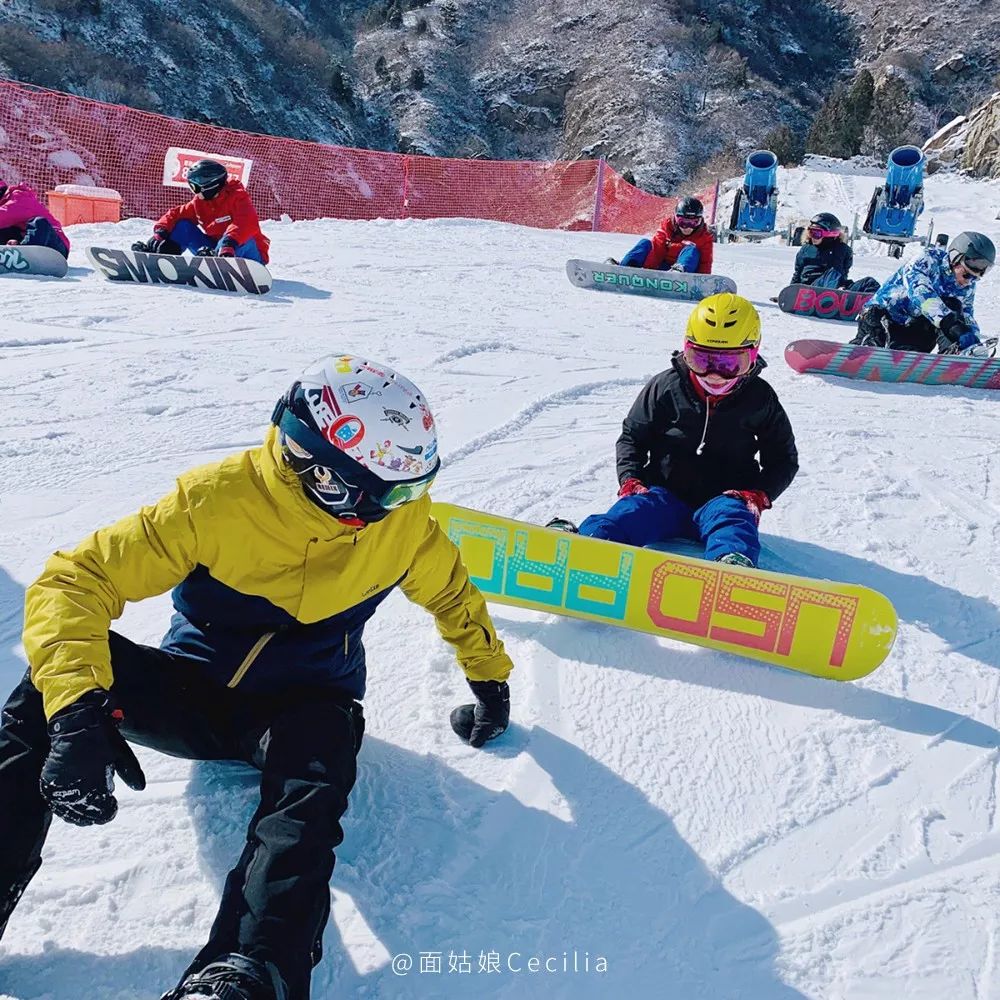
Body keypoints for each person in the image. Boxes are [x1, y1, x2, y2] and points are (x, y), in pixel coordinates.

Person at [0, 356, 513, 1000]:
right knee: (44, 689)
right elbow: (75, 580)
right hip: (194, 694)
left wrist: (490, 679)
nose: (406, 507)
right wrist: (74, 714)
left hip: (304, 709)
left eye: (413, 488)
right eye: (392, 492)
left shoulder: (401, 526)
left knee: (311, 786)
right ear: (326, 474)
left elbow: (453, 595)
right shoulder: (217, 501)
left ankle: (250, 968)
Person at [547, 294, 798, 568]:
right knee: (633, 511)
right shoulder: (666, 387)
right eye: (701, 360)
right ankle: (590, 543)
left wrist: (759, 493)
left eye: (729, 365)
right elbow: (633, 436)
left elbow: (783, 458)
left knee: (734, 523)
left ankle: (732, 567)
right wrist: (631, 479)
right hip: (665, 494)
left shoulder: (760, 398)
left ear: (752, 355)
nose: (714, 374)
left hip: (724, 498)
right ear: (686, 350)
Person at [852, 231, 995, 355]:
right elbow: (921, 294)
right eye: (967, 275)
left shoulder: (966, 287)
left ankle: (954, 354)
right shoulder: (927, 260)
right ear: (956, 258)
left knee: (954, 307)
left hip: (914, 331)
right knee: (875, 314)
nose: (969, 281)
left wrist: (972, 339)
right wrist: (952, 325)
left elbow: (967, 315)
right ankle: (864, 347)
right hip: (884, 318)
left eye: (975, 278)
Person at [132, 159, 270, 264]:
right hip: (218, 251)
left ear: (211, 185)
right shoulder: (200, 202)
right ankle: (164, 257)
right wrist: (161, 232)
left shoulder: (238, 197)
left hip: (249, 255)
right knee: (183, 225)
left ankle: (219, 260)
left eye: (195, 186)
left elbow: (246, 223)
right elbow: (175, 214)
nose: (194, 191)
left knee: (243, 237)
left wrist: (228, 243)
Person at [612, 195, 715, 274]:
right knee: (645, 243)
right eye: (682, 222)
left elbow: (705, 263)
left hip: (686, 273)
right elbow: (657, 250)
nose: (687, 227)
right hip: (661, 269)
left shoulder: (704, 238)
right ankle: (624, 268)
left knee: (692, 249)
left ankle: (678, 273)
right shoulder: (667, 228)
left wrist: (704, 282)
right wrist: (649, 271)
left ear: (700, 221)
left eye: (693, 223)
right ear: (675, 219)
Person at [790, 212, 878, 292]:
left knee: (869, 283)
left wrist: (843, 286)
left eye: (816, 234)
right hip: (810, 289)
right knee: (833, 273)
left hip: (837, 287)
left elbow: (844, 272)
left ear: (829, 235)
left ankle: (876, 305)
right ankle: (834, 294)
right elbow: (797, 273)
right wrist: (790, 293)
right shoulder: (806, 249)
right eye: (810, 232)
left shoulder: (843, 250)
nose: (813, 237)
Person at [0, 177, 70, 257]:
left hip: (55, 246)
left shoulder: (19, 198)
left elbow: (3, 215)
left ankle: (25, 255)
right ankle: (10, 255)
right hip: (31, 243)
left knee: (39, 222)